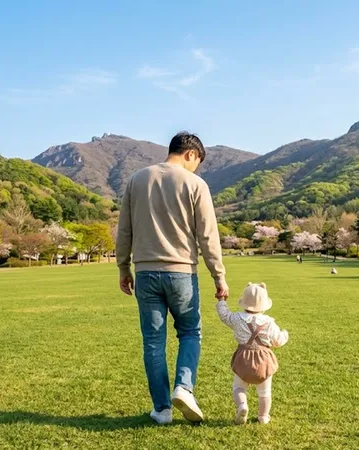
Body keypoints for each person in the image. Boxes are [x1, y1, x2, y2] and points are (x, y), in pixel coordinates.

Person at [116, 132, 228, 425]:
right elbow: (207, 236)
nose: (195, 169)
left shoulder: (136, 180)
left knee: (153, 341)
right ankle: (184, 387)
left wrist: (122, 267)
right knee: (190, 333)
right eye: (197, 162)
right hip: (181, 273)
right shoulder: (195, 184)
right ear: (191, 154)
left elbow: (124, 230)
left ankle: (162, 410)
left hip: (145, 272)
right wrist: (219, 276)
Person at [216, 283, 289, 425]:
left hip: (243, 358)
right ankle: (263, 416)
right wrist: (285, 334)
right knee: (265, 392)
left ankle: (242, 405)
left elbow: (224, 316)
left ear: (244, 303)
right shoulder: (269, 323)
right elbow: (277, 341)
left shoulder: (237, 318)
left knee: (239, 387)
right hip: (264, 361)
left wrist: (221, 301)